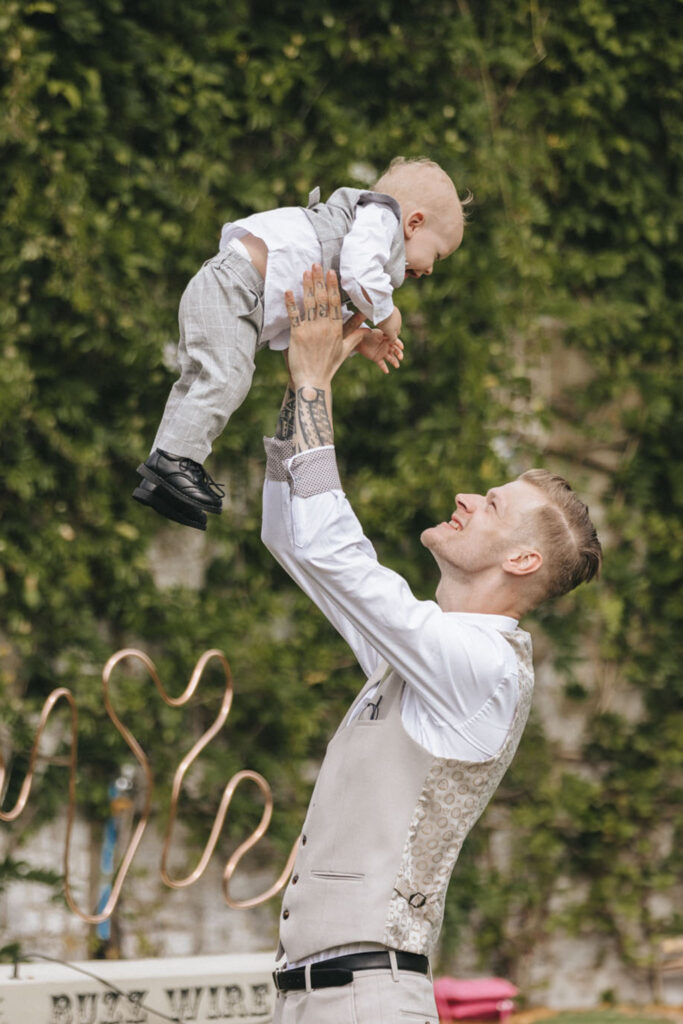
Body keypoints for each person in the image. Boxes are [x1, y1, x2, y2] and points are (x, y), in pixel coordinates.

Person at [261, 266, 602, 1023]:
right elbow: (291, 535)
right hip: (308, 1000)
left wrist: (316, 382)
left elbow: (333, 551)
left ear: (521, 562)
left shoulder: (482, 669)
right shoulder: (417, 655)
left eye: (490, 504)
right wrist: (302, 379)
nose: (464, 497)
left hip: (369, 1001)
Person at [133, 158, 465, 531]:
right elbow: (360, 271)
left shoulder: (361, 226)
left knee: (197, 383)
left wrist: (357, 340)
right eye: (436, 255)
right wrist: (387, 315)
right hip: (235, 287)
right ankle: (176, 463)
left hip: (228, 287)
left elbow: (322, 300)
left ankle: (161, 472)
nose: (431, 270)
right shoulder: (382, 218)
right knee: (227, 379)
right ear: (414, 223)